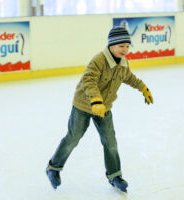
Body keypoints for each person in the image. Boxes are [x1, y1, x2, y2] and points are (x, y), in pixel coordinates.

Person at [46, 26, 153, 192]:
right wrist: (96, 101)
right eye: (121, 46)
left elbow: (129, 78)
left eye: (127, 46)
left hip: (105, 108)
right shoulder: (99, 60)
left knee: (110, 142)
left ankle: (114, 175)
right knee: (73, 138)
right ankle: (53, 168)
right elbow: (89, 80)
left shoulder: (123, 64)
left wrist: (143, 88)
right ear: (111, 46)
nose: (125, 50)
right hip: (83, 105)